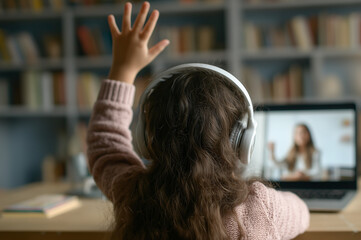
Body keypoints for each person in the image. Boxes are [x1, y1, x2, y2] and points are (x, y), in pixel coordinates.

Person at [86, 2, 309, 239]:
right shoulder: (260, 208)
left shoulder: (133, 194)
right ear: (241, 142)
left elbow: (105, 145)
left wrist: (123, 69)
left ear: (146, 140)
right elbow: (302, 213)